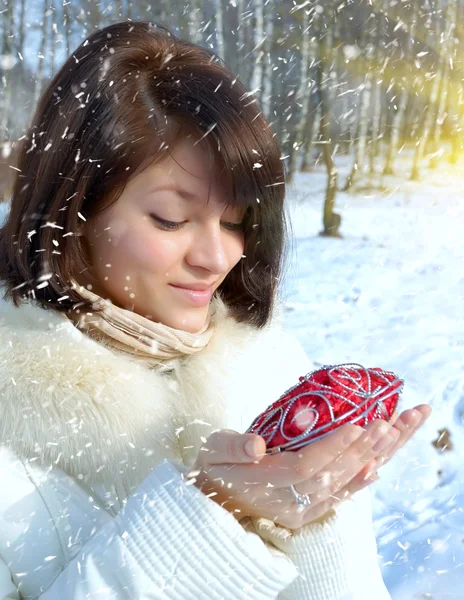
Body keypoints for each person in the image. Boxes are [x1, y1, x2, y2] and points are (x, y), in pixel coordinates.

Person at [0, 21, 431, 599]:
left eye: (235, 222)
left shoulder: (265, 363)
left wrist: (313, 512)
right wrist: (214, 513)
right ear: (73, 210)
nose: (217, 257)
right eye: (171, 219)